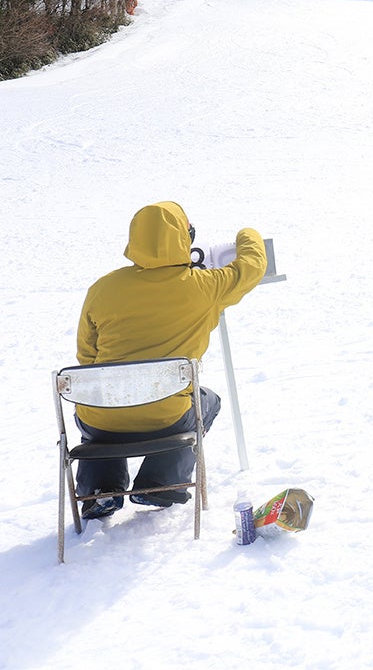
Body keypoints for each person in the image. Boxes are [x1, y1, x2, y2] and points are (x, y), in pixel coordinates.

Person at [73, 202, 266, 518]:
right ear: (185, 238)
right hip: (166, 419)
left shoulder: (102, 288)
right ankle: (162, 483)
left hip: (101, 421)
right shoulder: (205, 287)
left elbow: (86, 356)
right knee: (208, 401)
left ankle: (100, 490)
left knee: (102, 407)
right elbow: (252, 267)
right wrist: (248, 233)